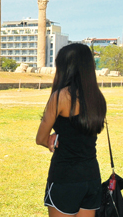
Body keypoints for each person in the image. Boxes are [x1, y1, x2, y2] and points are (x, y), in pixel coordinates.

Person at [36, 43, 107, 217]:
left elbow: (40, 138)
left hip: (64, 178)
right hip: (92, 177)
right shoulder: (97, 97)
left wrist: (51, 139)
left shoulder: (61, 96)